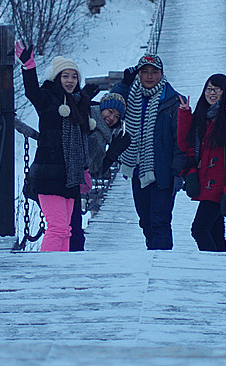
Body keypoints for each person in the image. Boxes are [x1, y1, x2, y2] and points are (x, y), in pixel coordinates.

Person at [15, 41, 94, 252]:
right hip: (49, 174)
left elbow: (84, 139)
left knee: (66, 230)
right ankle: (45, 272)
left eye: (74, 76)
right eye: (65, 76)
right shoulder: (47, 98)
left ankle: (62, 272)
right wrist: (28, 67)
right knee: (58, 227)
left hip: (70, 176)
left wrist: (84, 170)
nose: (70, 80)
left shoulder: (78, 103)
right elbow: (32, 92)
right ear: (56, 77)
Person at [111, 54, 185, 250]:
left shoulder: (174, 101)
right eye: (144, 72)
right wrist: (124, 84)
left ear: (162, 74)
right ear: (139, 75)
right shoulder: (132, 95)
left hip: (163, 172)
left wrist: (178, 171)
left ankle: (161, 266)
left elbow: (181, 139)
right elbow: (111, 106)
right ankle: (152, 258)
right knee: (145, 222)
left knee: (159, 221)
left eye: (154, 72)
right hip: (137, 170)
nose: (149, 76)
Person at [177, 74, 226, 252]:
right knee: (215, 230)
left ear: (225, 91)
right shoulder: (203, 116)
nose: (212, 93)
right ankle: (221, 267)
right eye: (209, 89)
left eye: (217, 89)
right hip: (206, 179)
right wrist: (184, 114)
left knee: (199, 229)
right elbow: (184, 143)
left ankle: (214, 268)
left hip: (222, 181)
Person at [68, 91, 131, 251]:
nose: (112, 118)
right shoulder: (89, 123)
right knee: (68, 231)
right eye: (110, 112)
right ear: (102, 107)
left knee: (72, 233)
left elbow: (94, 170)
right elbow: (89, 165)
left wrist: (111, 155)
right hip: (62, 183)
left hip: (72, 186)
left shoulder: (103, 133)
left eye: (117, 117)